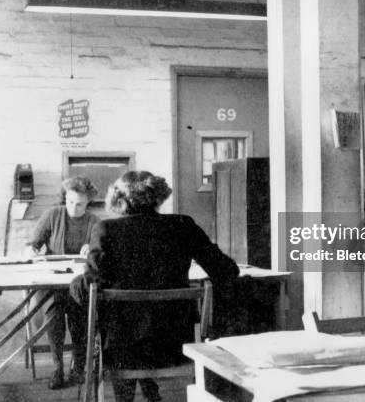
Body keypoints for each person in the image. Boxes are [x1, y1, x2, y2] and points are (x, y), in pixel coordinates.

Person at [70, 171, 239, 402]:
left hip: (123, 352)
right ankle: (151, 393)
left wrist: (80, 280)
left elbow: (89, 288)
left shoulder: (106, 230)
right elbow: (228, 271)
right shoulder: (183, 225)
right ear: (158, 196)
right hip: (177, 346)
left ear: (119, 199)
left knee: (116, 321)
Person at [25, 176, 99, 390]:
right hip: (53, 284)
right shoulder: (52, 215)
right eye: (70, 202)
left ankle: (78, 367)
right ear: (65, 199)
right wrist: (33, 251)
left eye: (80, 204)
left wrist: (92, 249)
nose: (74, 208)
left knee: (80, 315)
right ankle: (57, 367)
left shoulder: (94, 222)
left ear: (88, 203)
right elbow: (32, 245)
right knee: (54, 314)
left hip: (79, 284)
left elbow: (101, 252)